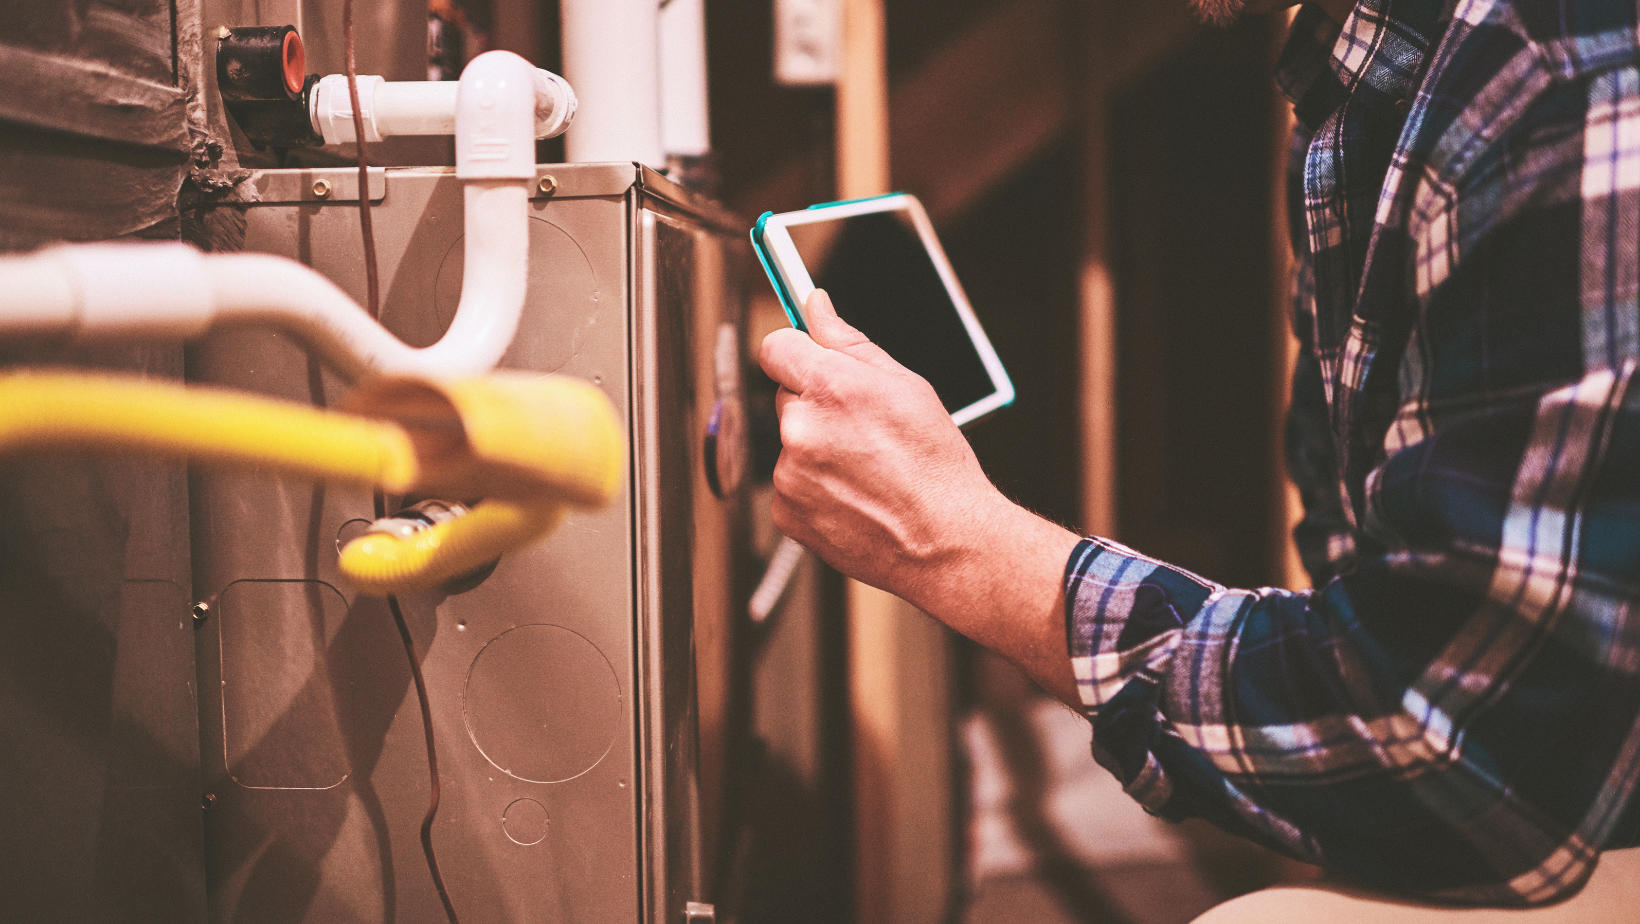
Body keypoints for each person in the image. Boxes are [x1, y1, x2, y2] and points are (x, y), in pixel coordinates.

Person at [757, 0, 1640, 910]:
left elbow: (1469, 741)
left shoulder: (1556, 78)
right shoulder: (1356, 93)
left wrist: (965, 548)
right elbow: (1363, 578)